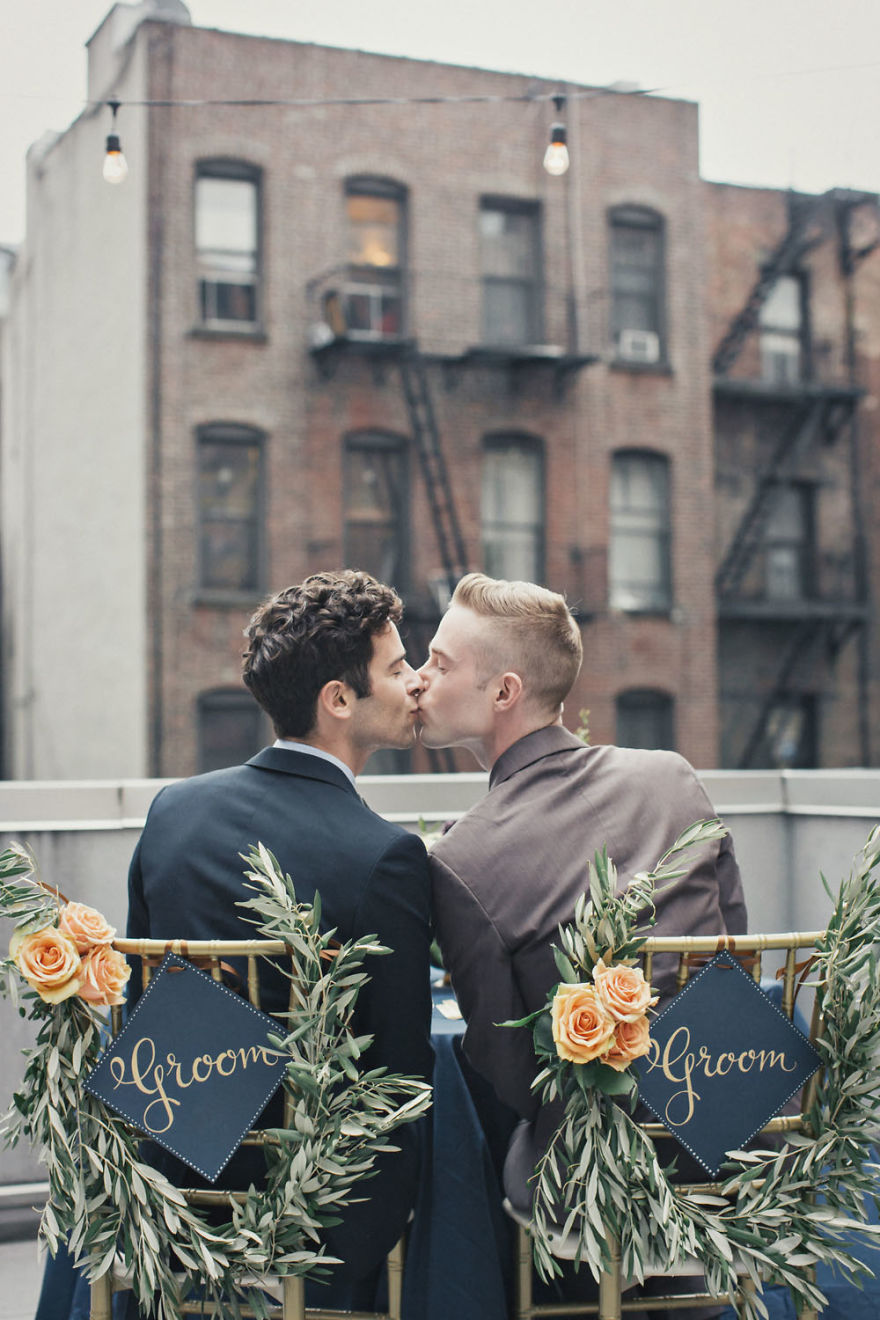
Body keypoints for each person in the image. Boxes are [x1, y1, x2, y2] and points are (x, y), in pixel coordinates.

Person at [417, 572, 746, 1314]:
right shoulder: (672, 776)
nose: (419, 675)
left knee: (509, 1153)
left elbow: (509, 1072)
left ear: (503, 693)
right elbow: (735, 961)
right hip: (735, 1130)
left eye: (439, 661)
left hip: (595, 1171)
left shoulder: (458, 861)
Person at [126, 569, 432, 1305]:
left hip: (164, 1187)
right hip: (312, 1226)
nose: (416, 682)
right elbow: (401, 1085)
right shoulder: (384, 856)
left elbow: (140, 1004)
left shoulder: (174, 812)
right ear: (337, 701)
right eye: (397, 669)